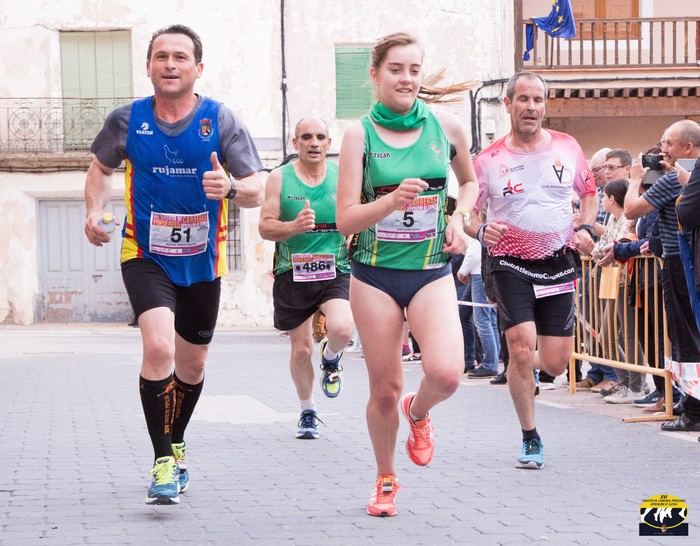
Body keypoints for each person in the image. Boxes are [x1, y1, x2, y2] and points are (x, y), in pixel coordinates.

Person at [83, 25, 264, 505]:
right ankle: (163, 461)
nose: (170, 64)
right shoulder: (127, 120)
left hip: (203, 261)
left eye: (180, 57)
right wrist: (91, 211)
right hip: (145, 255)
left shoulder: (220, 120)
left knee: (193, 364)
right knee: (159, 348)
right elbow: (100, 168)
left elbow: (256, 187)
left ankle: (177, 440)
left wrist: (229, 188)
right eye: (161, 56)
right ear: (148, 66)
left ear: (197, 68)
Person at [336, 32, 478, 517]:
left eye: (414, 69)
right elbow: (346, 219)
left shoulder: (446, 127)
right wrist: (391, 202)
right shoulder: (359, 135)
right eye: (396, 69)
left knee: (446, 373)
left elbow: (471, 182)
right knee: (383, 388)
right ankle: (385, 478)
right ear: (375, 75)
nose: (407, 78)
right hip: (374, 274)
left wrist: (459, 218)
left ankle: (418, 413)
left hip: (430, 270)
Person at [466, 71, 598, 469]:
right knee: (521, 345)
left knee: (556, 362)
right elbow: (468, 216)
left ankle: (521, 368)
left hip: (558, 259)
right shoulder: (487, 160)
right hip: (509, 261)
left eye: (538, 100)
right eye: (523, 99)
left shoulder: (567, 147)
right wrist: (482, 229)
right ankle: (530, 436)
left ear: (545, 105)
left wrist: (587, 227)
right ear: (508, 104)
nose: (531, 107)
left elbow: (589, 194)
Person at [258, 117, 353, 440]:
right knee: (300, 350)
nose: (314, 143)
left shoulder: (344, 177)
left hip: (334, 268)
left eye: (320, 137)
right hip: (292, 271)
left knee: (342, 328)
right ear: (295, 142)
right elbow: (264, 226)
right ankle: (308, 410)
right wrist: (292, 227)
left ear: (329, 143)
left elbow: (360, 214)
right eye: (307, 137)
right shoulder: (278, 179)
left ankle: (330, 357)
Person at [625, 120, 700, 431]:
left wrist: (634, 179)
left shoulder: (676, 179)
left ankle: (693, 409)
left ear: (688, 148)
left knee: (685, 338)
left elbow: (631, 210)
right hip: (686, 263)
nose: (661, 150)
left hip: (679, 263)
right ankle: (689, 401)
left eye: (668, 143)